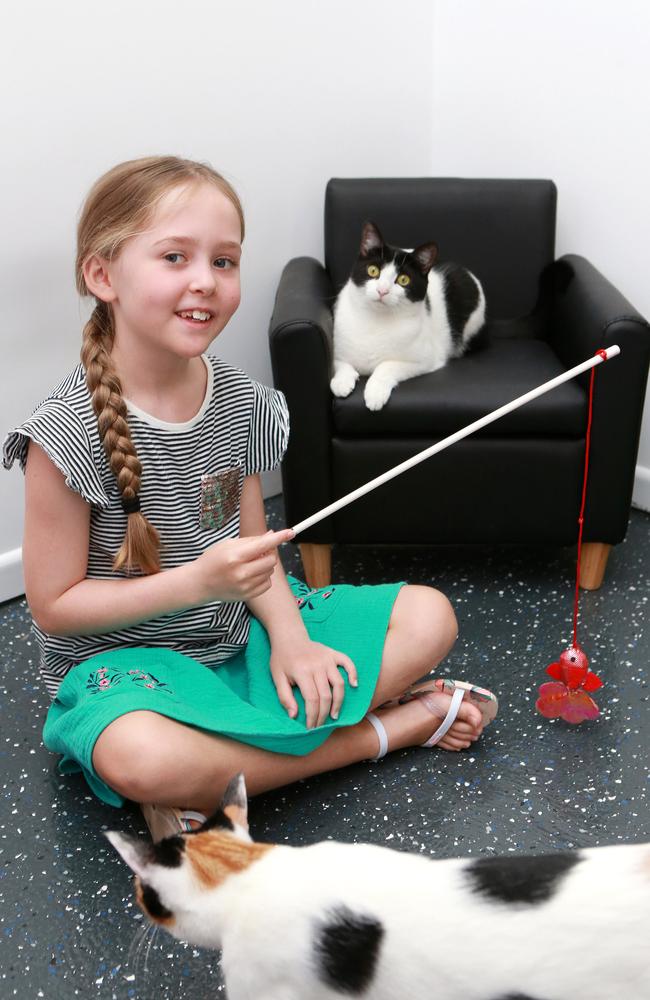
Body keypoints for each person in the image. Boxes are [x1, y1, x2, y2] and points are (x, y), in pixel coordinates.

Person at [3, 156, 498, 841]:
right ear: (102, 275)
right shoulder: (62, 436)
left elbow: (256, 552)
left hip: (241, 634)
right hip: (131, 675)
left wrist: (291, 641)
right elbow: (55, 610)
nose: (205, 281)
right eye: (175, 256)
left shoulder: (240, 401)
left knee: (430, 618)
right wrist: (193, 583)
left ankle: (219, 774)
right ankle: (382, 732)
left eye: (225, 261)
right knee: (139, 756)